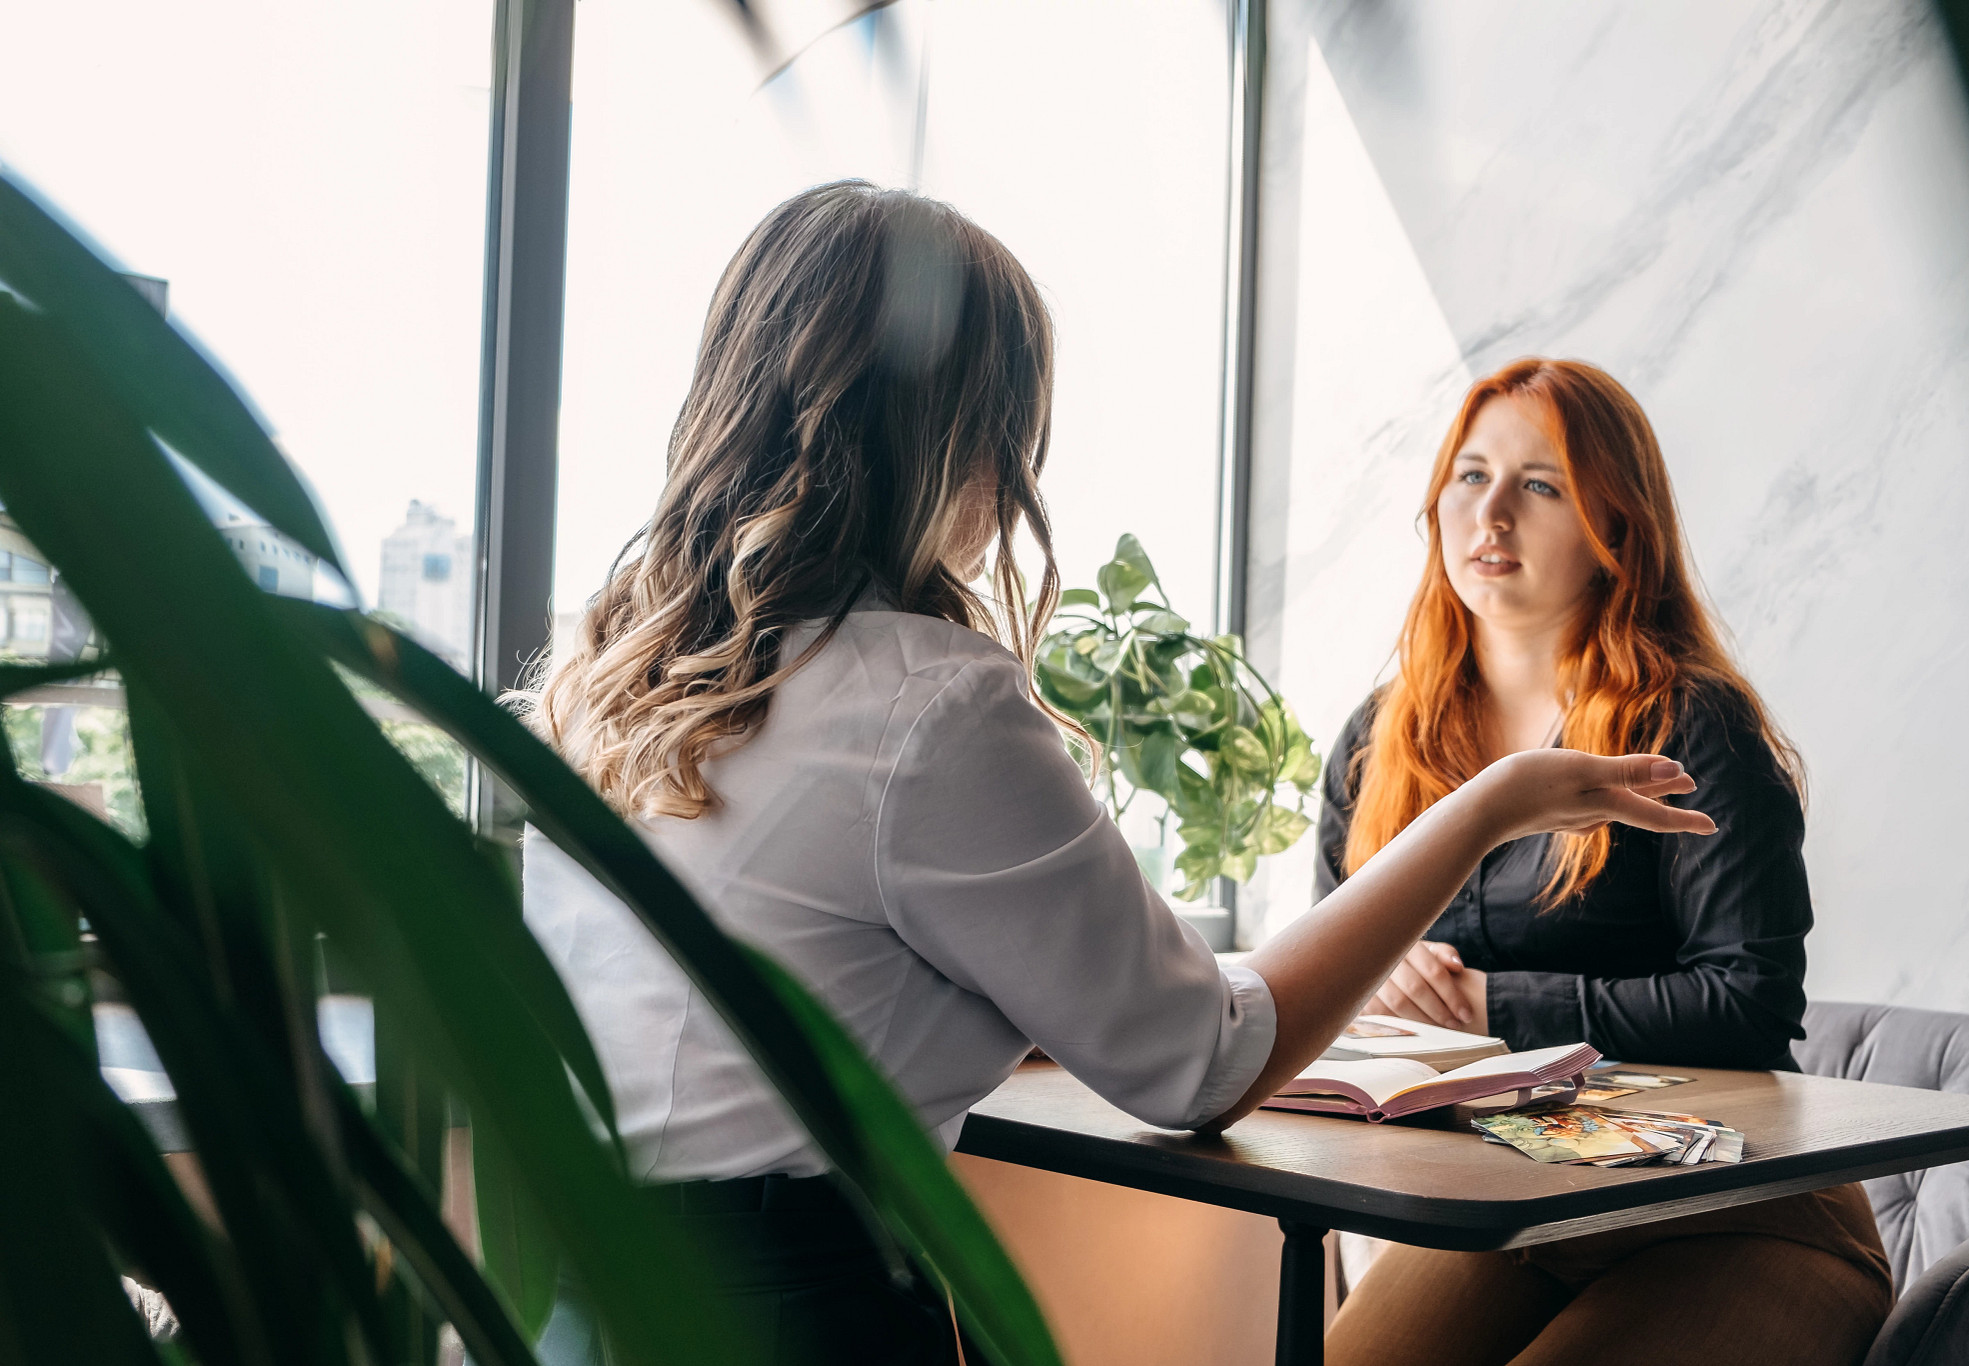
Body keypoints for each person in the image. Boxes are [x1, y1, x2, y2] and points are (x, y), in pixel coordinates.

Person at [520, 186, 1714, 1365]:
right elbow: (1201, 1062)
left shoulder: (606, 676)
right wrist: (1489, 805)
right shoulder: (926, 702)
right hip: (795, 1311)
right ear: (951, 435)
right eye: (1010, 425)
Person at [1316, 358, 1892, 1366]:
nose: (1489, 513)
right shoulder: (1376, 742)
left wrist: (1494, 1005)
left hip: (1736, 1210)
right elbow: (1330, 1000)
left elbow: (1748, 1004)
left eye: (1539, 486)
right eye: (1469, 473)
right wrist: (1370, 993)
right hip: (1513, 1203)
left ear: (1613, 530)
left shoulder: (1692, 726)